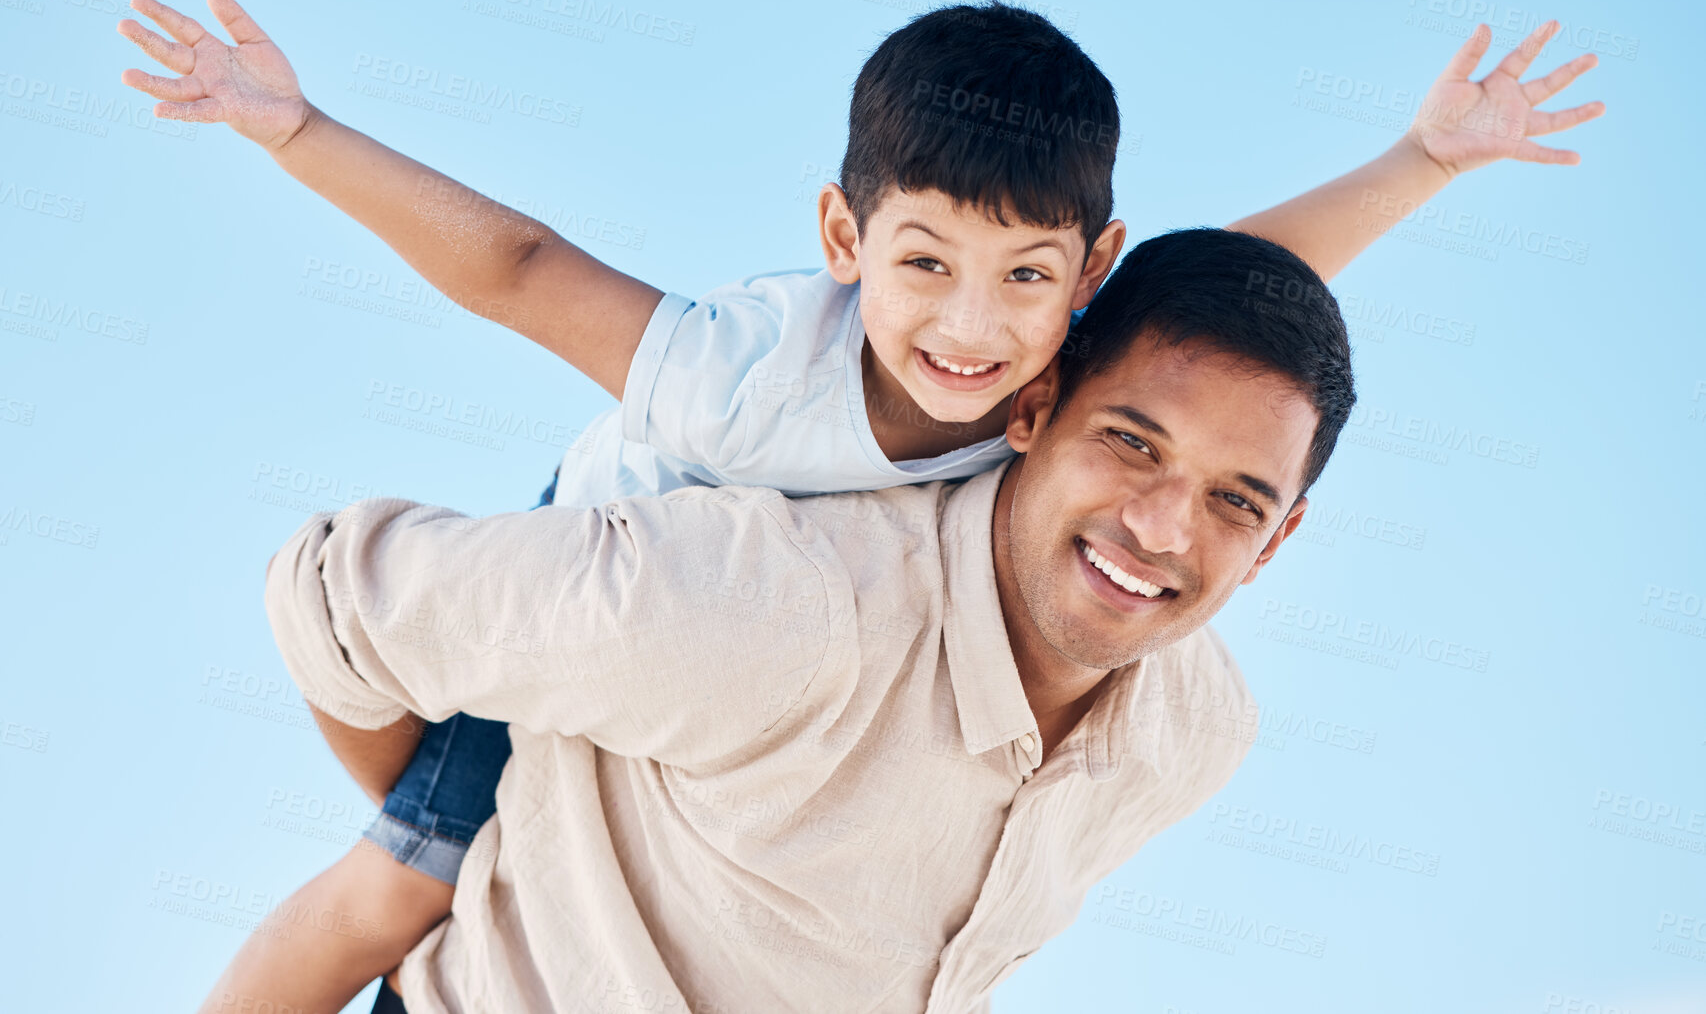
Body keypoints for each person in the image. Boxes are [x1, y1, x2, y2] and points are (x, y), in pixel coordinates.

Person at [115, 0, 1602, 1012]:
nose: (968, 323)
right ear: (842, 236)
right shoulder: (737, 402)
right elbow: (516, 272)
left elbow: (1233, 290)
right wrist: (291, 128)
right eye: (922, 263)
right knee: (390, 885)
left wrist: (1421, 161)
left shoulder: (1159, 659)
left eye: (1025, 276)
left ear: (1084, 281)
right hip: (571, 611)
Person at [260, 226, 1348, 1013]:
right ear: (1032, 406)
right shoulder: (775, 610)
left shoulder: (1193, 732)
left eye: (1233, 499)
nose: (1161, 526)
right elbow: (338, 594)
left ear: (1276, 539)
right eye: (1129, 442)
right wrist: (466, 821)